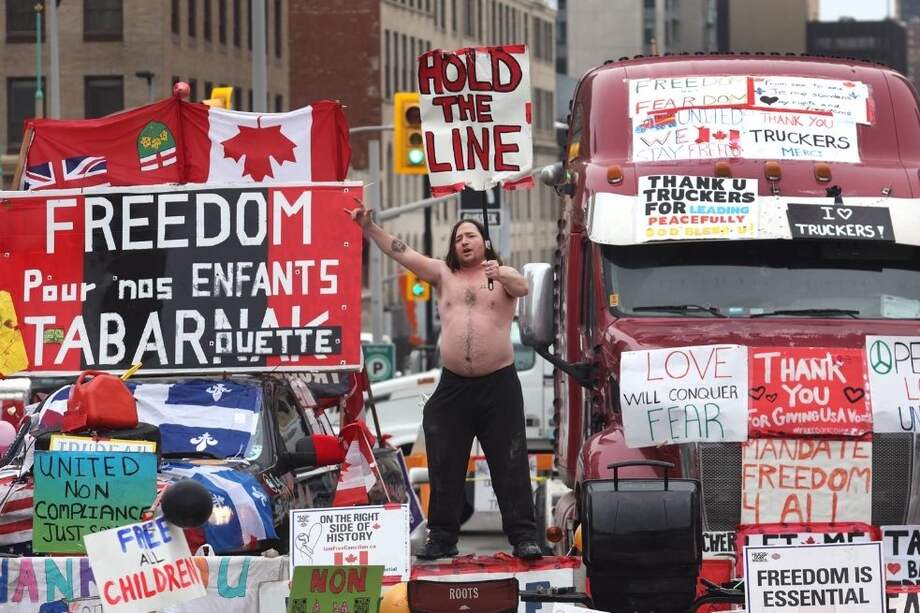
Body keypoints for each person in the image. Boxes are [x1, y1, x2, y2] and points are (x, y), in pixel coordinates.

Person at [345, 202, 542, 561]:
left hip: (499, 386)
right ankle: (442, 537)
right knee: (445, 463)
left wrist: (499, 273)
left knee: (509, 462)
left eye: (471, 236)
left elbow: (524, 287)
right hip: (453, 387)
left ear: (485, 242)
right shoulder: (442, 274)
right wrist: (369, 228)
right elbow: (403, 253)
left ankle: (524, 537)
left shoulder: (502, 276)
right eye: (458, 238)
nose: (464, 242)